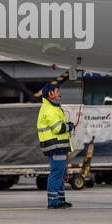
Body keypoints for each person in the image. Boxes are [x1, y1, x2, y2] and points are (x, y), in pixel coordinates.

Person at [37, 81, 75, 209]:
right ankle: (53, 202)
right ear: (51, 94)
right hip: (56, 146)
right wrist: (69, 127)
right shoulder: (50, 110)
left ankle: (59, 200)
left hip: (58, 146)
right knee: (57, 173)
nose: (60, 94)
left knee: (60, 173)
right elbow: (58, 129)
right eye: (58, 91)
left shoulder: (52, 108)